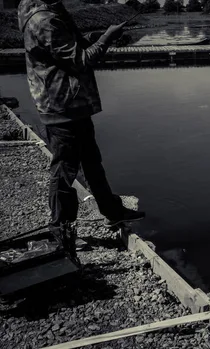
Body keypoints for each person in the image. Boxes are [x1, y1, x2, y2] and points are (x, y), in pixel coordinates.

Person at [18, 0, 145, 229]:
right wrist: (106, 38)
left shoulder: (44, 11)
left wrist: (89, 33)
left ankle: (112, 210)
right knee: (65, 170)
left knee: (91, 163)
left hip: (68, 104)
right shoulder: (45, 20)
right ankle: (61, 228)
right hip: (63, 106)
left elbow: (75, 47)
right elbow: (81, 61)